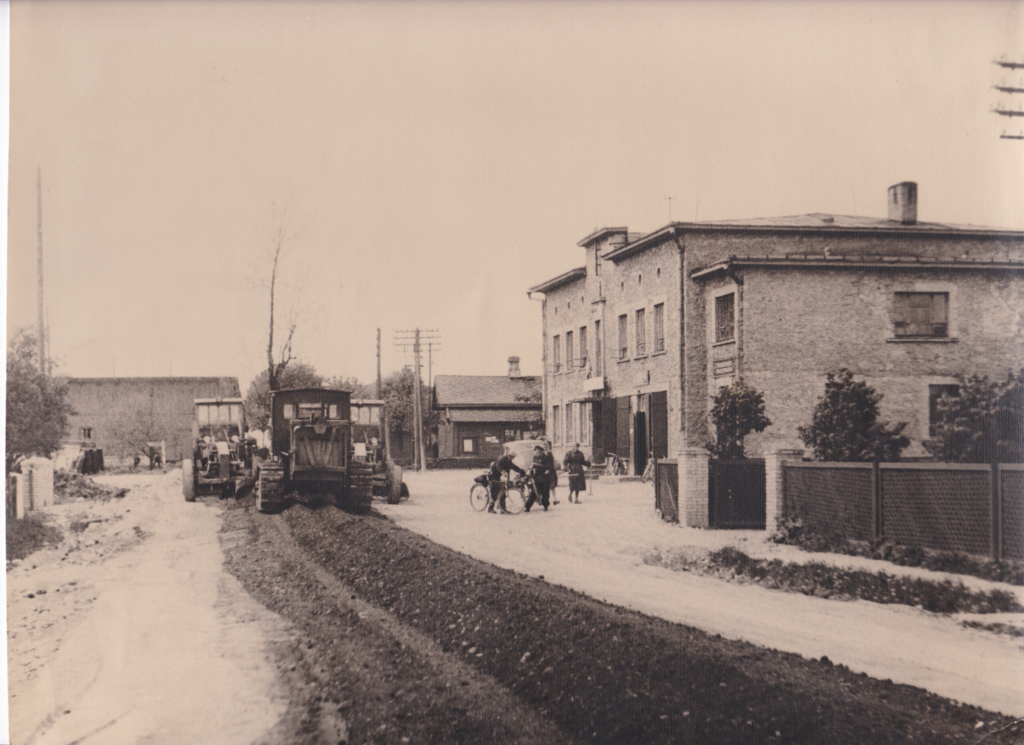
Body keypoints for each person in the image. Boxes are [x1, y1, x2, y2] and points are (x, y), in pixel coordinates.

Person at [526, 444, 556, 512]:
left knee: (545, 493)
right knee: (534, 492)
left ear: (541, 452)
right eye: (536, 452)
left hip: (545, 477)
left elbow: (550, 466)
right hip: (536, 477)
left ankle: (545, 506)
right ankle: (527, 507)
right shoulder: (535, 457)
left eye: (537, 452)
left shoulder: (547, 457)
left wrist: (541, 466)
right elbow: (533, 465)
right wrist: (530, 471)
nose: (536, 453)